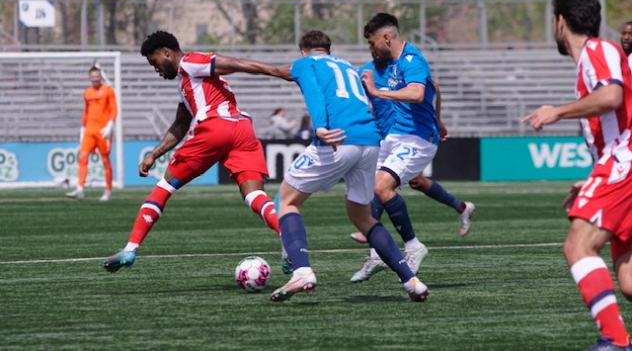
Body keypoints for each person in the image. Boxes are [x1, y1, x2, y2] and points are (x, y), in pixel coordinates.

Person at [266, 30, 429, 302]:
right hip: (369, 141)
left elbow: (315, 95)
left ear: (303, 50)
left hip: (338, 139)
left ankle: (302, 270)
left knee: (286, 201)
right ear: (328, 48)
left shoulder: (307, 63)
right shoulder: (348, 67)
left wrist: (319, 127)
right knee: (363, 217)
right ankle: (411, 280)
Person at [102, 30, 285, 273]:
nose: (155, 69)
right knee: (254, 197)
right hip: (242, 129)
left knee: (164, 187)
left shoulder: (191, 61)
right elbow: (179, 126)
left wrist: (278, 71)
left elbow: (235, 64)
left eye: (154, 62)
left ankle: (130, 249)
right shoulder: (188, 82)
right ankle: (290, 238)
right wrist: (154, 154)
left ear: (167, 53)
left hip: (214, 128)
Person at [523, 0, 632, 351]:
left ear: (560, 22)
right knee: (629, 282)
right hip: (618, 165)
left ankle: (616, 341)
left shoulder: (597, 51)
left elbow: (612, 97)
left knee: (578, 245)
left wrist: (558, 110)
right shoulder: (594, 58)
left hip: (624, 164)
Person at [349, 80, 475, 245]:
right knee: (416, 181)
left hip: (406, 134)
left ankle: (372, 229)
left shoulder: (402, 66)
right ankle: (461, 207)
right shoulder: (370, 71)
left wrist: (437, 120)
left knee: (381, 183)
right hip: (388, 133)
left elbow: (435, 86)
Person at [66, 65, 117, 201]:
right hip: (89, 129)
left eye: (97, 76)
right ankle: (80, 189)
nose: (95, 78)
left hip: (103, 131)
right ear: (90, 77)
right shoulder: (87, 92)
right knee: (82, 157)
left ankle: (108, 190)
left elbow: (113, 109)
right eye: (93, 76)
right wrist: (82, 129)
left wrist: (110, 125)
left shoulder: (108, 90)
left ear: (100, 76)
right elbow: (86, 111)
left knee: (105, 160)